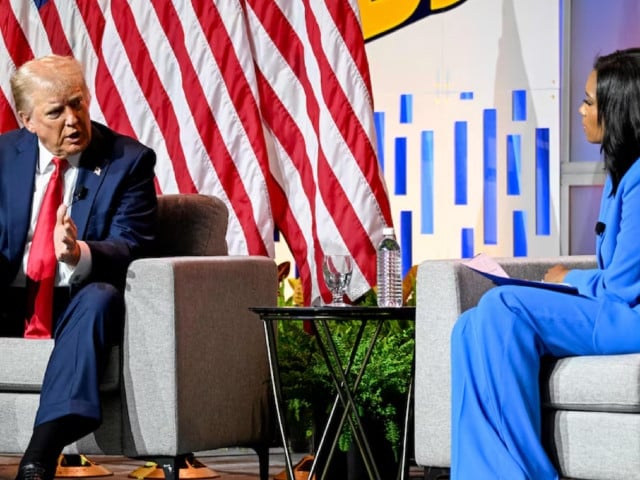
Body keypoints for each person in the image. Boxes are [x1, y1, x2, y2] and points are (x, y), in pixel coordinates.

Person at [450, 47, 640, 479]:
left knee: (504, 306)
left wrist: (568, 279)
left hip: (628, 318)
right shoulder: (620, 175)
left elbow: (621, 289)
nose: (580, 109)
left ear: (619, 109)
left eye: (591, 102)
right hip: (613, 311)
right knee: (469, 326)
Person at [0, 55, 157, 480]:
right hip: (11, 296)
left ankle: (39, 456)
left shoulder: (129, 161)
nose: (73, 120)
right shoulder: (1, 157)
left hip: (78, 298)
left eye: (78, 104)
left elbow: (134, 244)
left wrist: (78, 253)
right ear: (28, 120)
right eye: (56, 112)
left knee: (100, 298)